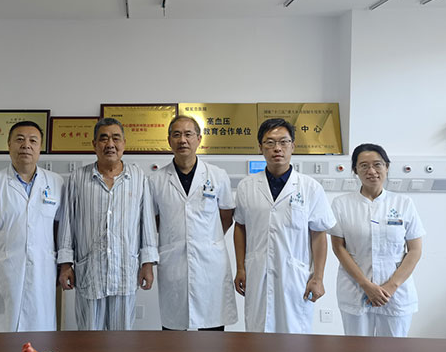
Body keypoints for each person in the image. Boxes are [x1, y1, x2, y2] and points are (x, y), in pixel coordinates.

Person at [233, 118, 335, 333]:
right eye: (269, 142)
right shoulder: (246, 186)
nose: (277, 148)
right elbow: (240, 227)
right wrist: (241, 268)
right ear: (260, 147)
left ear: (293, 146)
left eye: (283, 142)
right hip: (257, 273)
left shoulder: (310, 188)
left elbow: (319, 234)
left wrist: (318, 278)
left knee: (294, 337)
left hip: (295, 277)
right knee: (258, 333)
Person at [57, 117, 159, 330]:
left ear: (124, 144)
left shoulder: (138, 178)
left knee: (121, 340)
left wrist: (147, 264)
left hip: (125, 271)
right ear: (94, 144)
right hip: (90, 272)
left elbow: (147, 225)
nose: (110, 144)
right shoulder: (78, 178)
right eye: (103, 139)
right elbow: (68, 224)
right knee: (89, 337)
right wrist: (65, 265)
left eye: (116, 138)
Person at [0, 121, 63, 332]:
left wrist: (61, 267)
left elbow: (60, 230)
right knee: (0, 334)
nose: (26, 145)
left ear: (40, 148)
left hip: (42, 273)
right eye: (19, 139)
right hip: (2, 274)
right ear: (9, 145)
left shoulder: (56, 183)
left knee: (39, 334)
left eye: (33, 141)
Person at [150, 115, 237, 331]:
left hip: (210, 262)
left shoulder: (217, 176)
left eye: (188, 134)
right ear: (169, 140)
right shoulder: (156, 180)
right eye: (176, 135)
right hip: (173, 261)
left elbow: (226, 215)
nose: (183, 140)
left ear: (199, 139)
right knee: (174, 331)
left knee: (212, 330)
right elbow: (154, 220)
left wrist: (205, 238)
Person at [330, 143, 424, 337]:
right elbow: (339, 248)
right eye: (364, 166)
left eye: (377, 164)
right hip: (356, 290)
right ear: (355, 170)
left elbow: (415, 250)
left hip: (396, 294)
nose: (371, 171)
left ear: (386, 167)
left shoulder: (404, 203)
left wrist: (391, 287)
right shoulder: (341, 204)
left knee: (393, 350)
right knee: (357, 349)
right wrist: (366, 285)